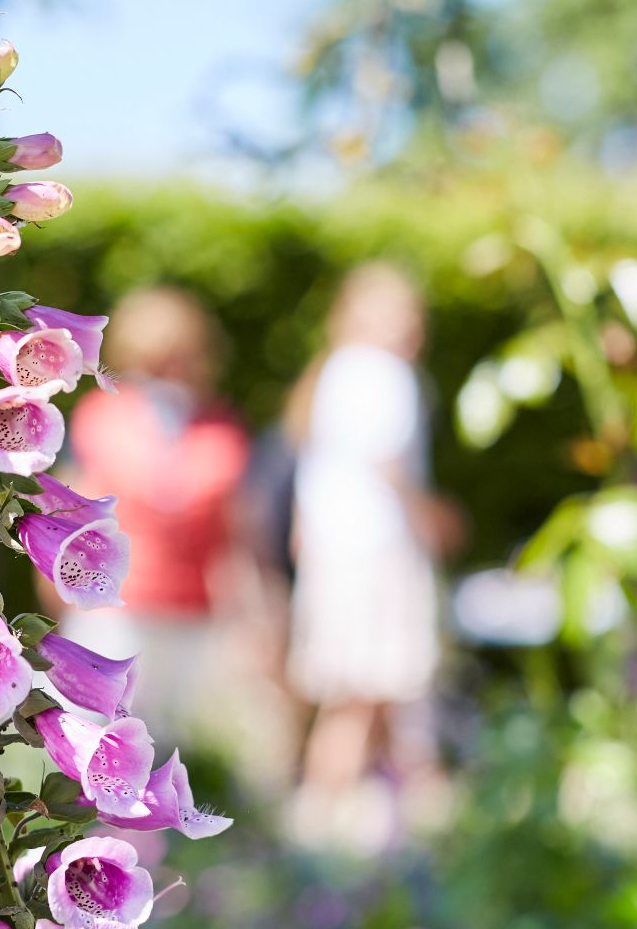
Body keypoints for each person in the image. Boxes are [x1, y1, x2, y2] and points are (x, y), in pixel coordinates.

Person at [284, 263, 452, 839]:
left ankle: (370, 825)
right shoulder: (385, 373)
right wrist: (432, 518)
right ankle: (319, 826)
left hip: (339, 554)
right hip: (377, 552)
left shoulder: (332, 372)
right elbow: (391, 462)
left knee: (363, 696)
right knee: (372, 690)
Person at [58, 288, 257, 750]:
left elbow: (238, 531)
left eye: (183, 358)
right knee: (101, 740)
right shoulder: (101, 417)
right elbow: (67, 517)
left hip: (194, 615)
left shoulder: (220, 428)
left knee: (179, 747)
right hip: (114, 612)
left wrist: (250, 615)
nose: (173, 372)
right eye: (160, 359)